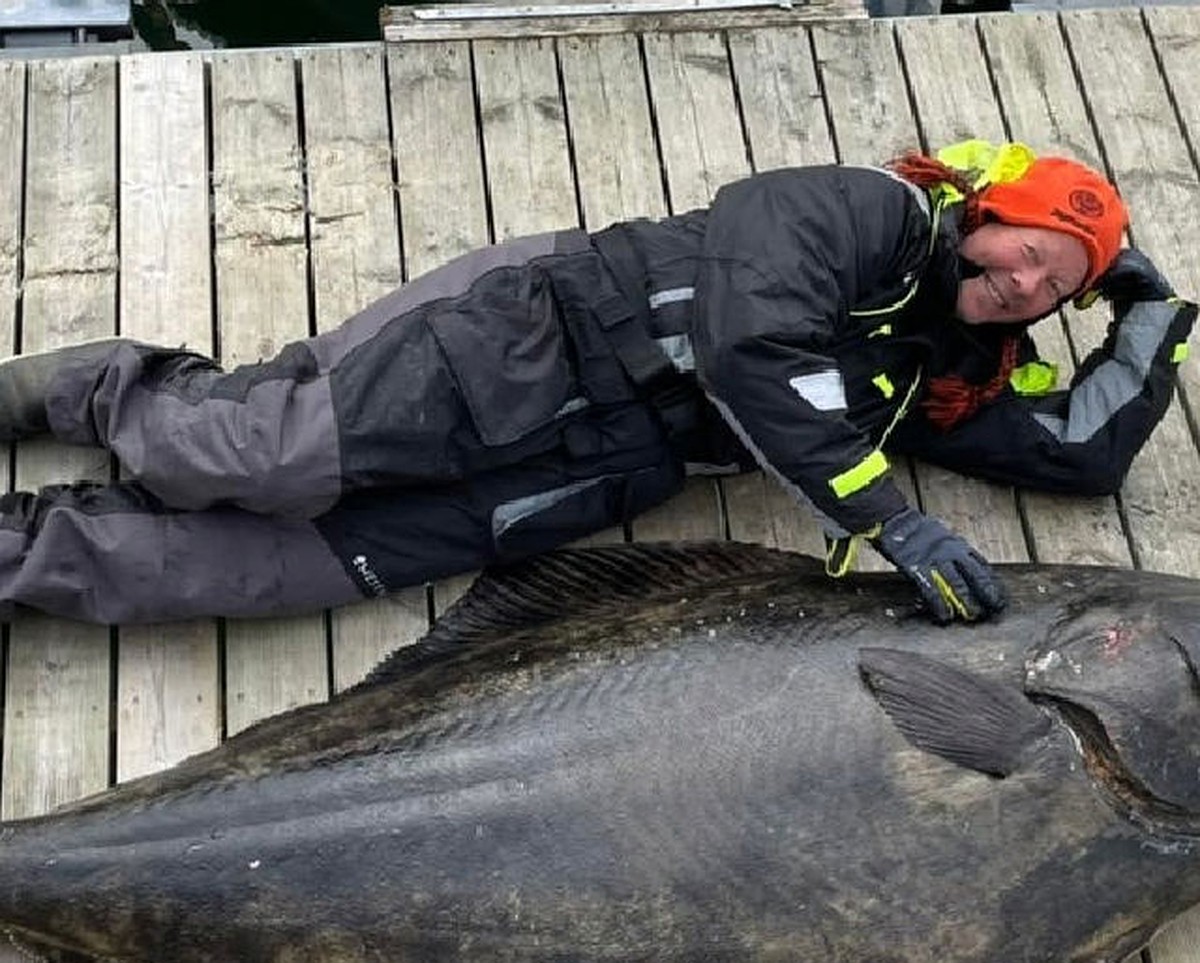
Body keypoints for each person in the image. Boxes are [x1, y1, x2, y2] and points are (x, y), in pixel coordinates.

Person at [0, 140, 1192, 626]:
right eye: (1028, 246)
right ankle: (82, 390)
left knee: (266, 572)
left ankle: (19, 555)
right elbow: (747, 345)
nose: (1029, 282)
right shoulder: (866, 211)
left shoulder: (948, 380)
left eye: (1060, 282)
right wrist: (890, 514)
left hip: (580, 476)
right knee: (248, 459)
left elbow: (1080, 454)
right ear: (982, 216)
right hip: (530, 339)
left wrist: (1153, 314)